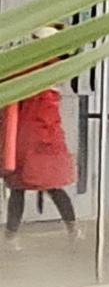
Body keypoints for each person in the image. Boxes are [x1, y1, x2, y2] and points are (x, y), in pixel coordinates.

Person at [3, 26, 78, 250]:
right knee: (45, 186)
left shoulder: (41, 68)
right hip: (38, 137)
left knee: (27, 187)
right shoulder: (54, 68)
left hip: (33, 136)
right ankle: (72, 229)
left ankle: (12, 236)